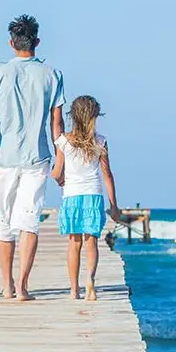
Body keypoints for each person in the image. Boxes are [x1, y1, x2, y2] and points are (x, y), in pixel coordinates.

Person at [0, 14, 65, 301]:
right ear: (37, 42)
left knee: (3, 221)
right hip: (38, 157)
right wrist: (61, 161)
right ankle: (23, 286)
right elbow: (57, 124)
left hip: (2, 157)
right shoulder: (52, 75)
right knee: (29, 222)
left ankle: (6, 285)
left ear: (11, 42)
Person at [51, 95, 119, 301]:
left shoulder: (64, 141)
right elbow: (107, 174)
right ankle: (90, 278)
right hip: (93, 196)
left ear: (73, 116)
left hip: (72, 196)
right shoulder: (101, 141)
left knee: (74, 243)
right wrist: (114, 205)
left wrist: (59, 179)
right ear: (94, 117)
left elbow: (56, 172)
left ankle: (74, 290)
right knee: (92, 242)